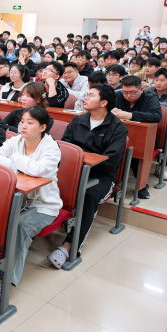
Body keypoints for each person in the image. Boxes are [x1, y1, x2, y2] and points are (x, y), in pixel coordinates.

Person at [0, 106, 62, 308]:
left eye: (30, 123)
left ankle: (4, 281)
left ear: (43, 127)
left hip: (43, 206)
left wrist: (14, 159)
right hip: (15, 202)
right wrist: (22, 164)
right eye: (22, 121)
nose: (23, 126)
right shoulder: (16, 141)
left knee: (19, 227)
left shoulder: (51, 148)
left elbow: (39, 169)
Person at [48, 85, 127, 269]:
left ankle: (70, 246)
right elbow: (65, 147)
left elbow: (111, 160)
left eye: (91, 95)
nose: (85, 97)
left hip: (101, 176)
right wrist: (78, 160)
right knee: (47, 182)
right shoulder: (79, 120)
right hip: (74, 171)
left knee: (88, 195)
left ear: (104, 102)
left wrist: (81, 158)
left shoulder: (118, 128)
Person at [113, 75, 162, 198]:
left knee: (135, 153)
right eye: (125, 92)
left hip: (144, 137)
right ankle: (112, 184)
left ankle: (141, 186)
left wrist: (130, 115)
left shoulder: (151, 98)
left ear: (141, 90)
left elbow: (156, 116)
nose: (128, 96)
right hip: (119, 135)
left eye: (132, 92)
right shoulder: (118, 95)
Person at [144, 69, 167, 180]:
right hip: (150, 122)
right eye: (156, 80)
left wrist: (153, 104)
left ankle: (163, 166)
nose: (158, 83)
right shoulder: (148, 90)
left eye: (162, 80)